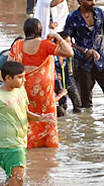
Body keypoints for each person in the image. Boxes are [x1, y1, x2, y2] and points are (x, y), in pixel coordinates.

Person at [0, 60, 54, 186]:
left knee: (15, 180)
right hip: (8, 144)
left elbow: (25, 112)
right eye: (20, 77)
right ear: (7, 78)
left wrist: (41, 117)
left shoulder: (20, 90)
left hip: (21, 142)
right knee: (18, 180)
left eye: (24, 76)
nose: (24, 80)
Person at [8, 18, 74, 149]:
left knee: (27, 120)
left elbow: (9, 66)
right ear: (41, 30)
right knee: (47, 122)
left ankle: (29, 151)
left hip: (24, 92)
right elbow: (69, 52)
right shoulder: (45, 45)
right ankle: (47, 152)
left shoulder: (18, 46)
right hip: (45, 97)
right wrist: (56, 36)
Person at [62, 0, 104, 111]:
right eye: (89, 0)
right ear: (81, 1)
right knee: (86, 98)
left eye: (94, 0)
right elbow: (67, 42)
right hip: (83, 63)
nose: (93, 3)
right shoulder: (72, 18)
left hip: (103, 60)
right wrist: (84, 50)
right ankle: (88, 125)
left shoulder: (99, 13)